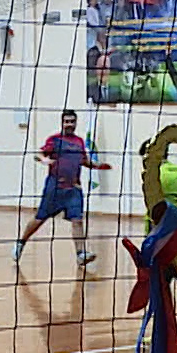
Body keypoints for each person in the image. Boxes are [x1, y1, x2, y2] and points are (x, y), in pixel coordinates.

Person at [14, 108, 113, 269]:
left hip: (73, 188)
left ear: (75, 123)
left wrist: (98, 166)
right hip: (55, 187)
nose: (69, 124)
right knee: (40, 219)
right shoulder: (55, 140)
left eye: (72, 122)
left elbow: (84, 161)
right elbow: (38, 154)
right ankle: (21, 242)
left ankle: (81, 254)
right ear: (62, 122)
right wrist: (44, 160)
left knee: (77, 220)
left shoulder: (79, 142)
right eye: (67, 121)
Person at [139, 138, 177, 339]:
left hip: (161, 240)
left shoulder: (152, 178)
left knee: (159, 285)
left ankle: (160, 331)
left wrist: (148, 241)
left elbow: (152, 212)